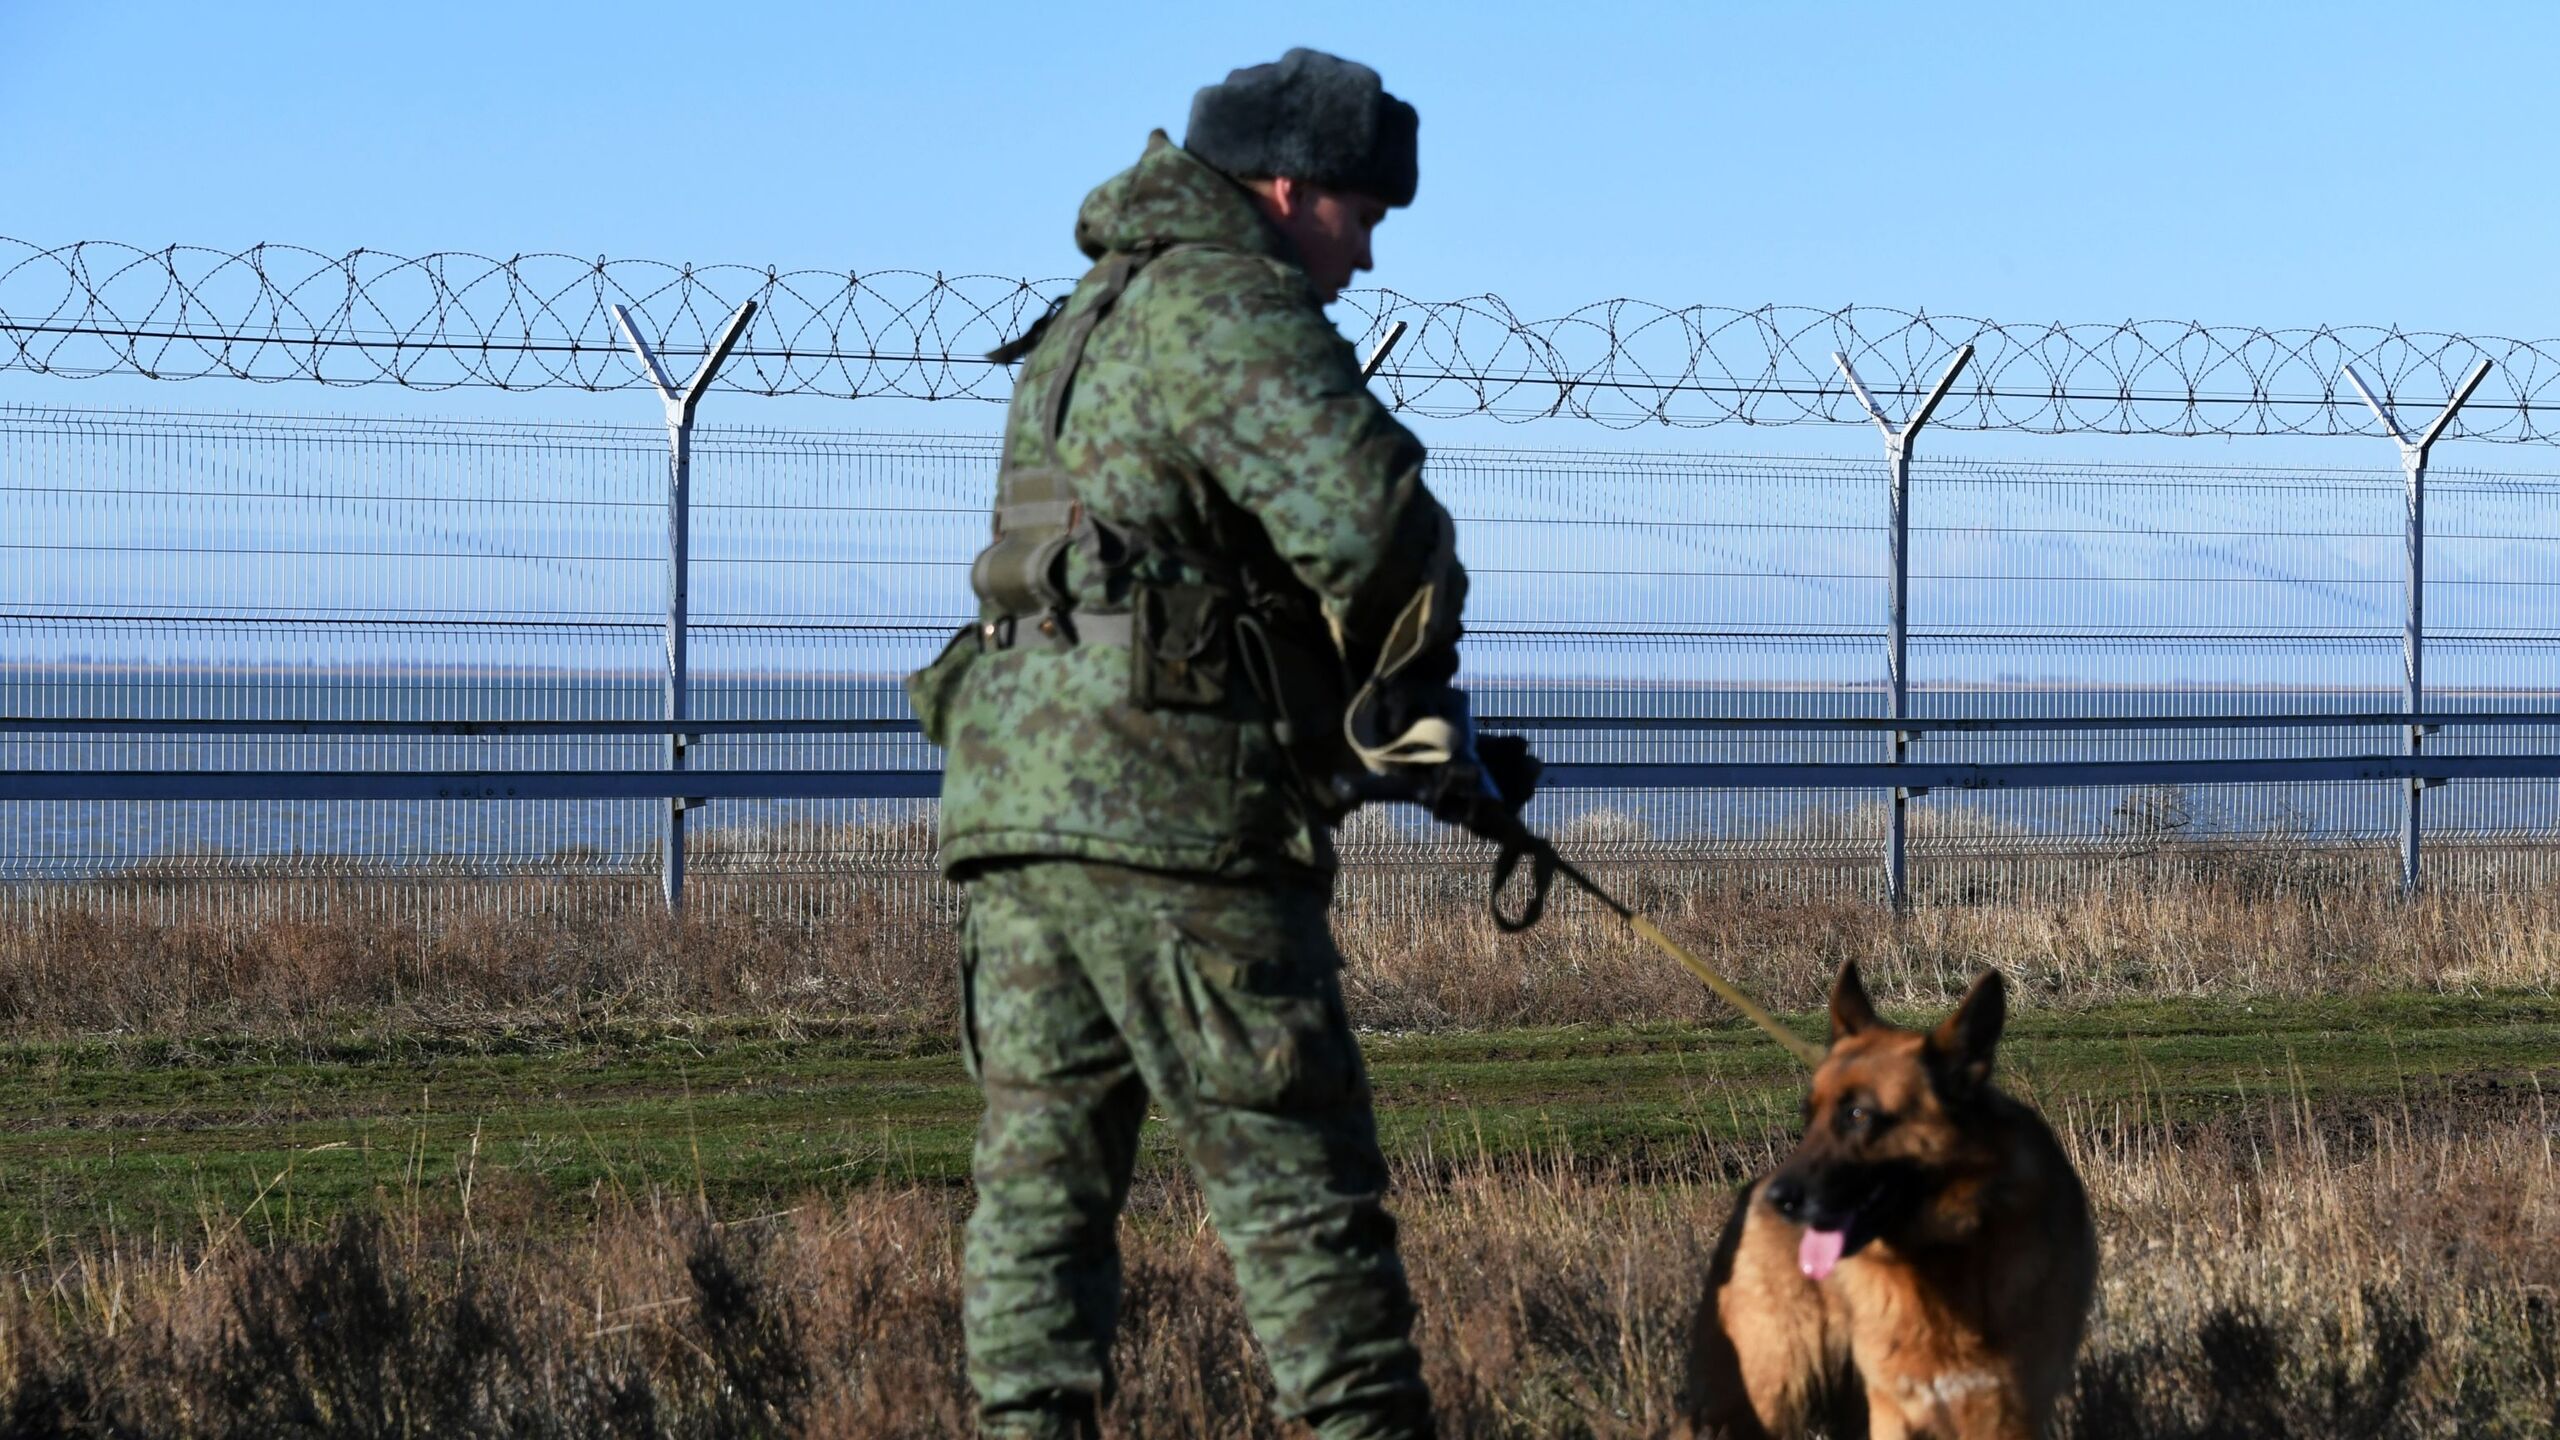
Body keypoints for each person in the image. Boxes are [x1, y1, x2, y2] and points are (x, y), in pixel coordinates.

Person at [906, 48, 1534, 1440]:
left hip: (1013, 813)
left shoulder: (1095, 312)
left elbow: (1153, 568)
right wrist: (1409, 692)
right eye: (1361, 219)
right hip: (1172, 815)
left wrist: (1355, 724)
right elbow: (1373, 525)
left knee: (1037, 1201)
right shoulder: (1226, 299)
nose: (1363, 261)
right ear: (1291, 187)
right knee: (1297, 1190)